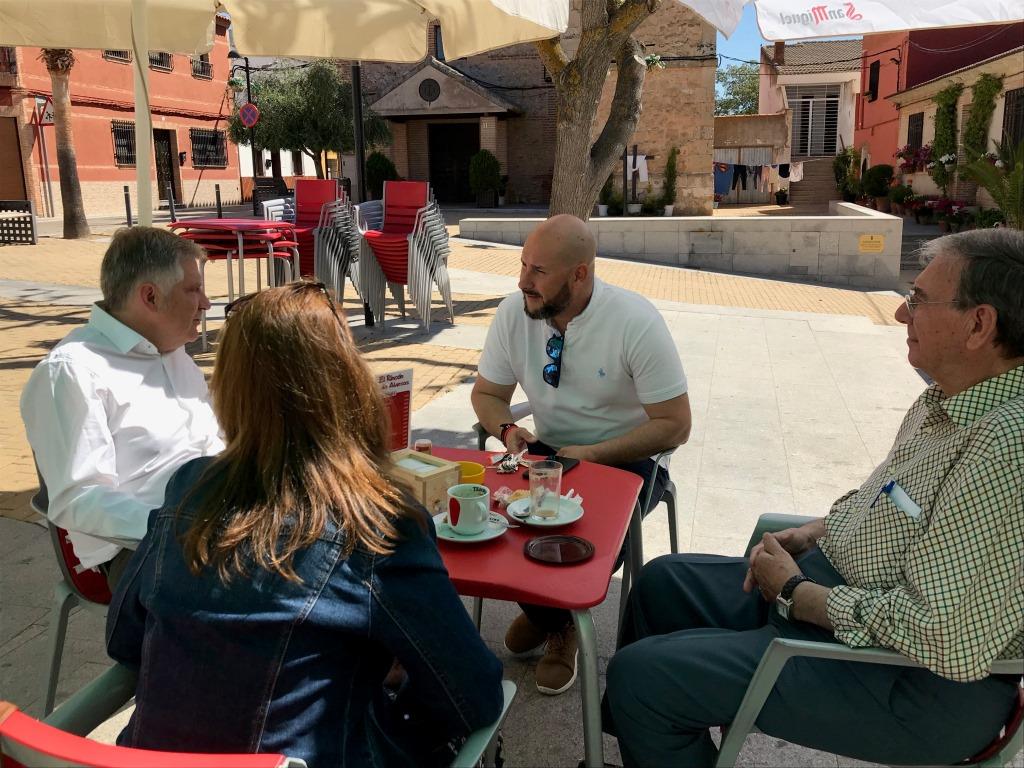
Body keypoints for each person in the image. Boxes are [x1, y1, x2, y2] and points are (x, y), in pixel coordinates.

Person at [604, 229, 1024, 767]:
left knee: (641, 678)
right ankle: (649, 745)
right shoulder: (946, 398)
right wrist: (813, 532)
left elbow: (946, 637)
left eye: (917, 299)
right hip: (846, 603)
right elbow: (890, 500)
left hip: (913, 684)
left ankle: (651, 714)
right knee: (659, 584)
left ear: (979, 324)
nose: (901, 314)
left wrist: (797, 595)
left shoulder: (1005, 447)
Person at [106, 281, 504, 767]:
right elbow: (474, 694)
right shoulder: (378, 520)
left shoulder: (189, 487)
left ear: (230, 388)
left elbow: (125, 640)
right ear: (348, 382)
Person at [472, 214, 691, 696]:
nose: (522, 281)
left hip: (630, 455)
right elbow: (486, 395)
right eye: (523, 264)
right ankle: (548, 612)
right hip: (551, 451)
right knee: (496, 518)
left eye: (538, 272)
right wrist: (508, 429)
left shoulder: (634, 320)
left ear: (580, 275)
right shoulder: (516, 313)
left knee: (574, 535)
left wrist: (593, 452)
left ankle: (559, 624)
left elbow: (676, 424)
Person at [20, 227, 222, 588]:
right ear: (150, 297)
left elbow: (211, 442)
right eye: (193, 290)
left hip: (210, 516)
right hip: (141, 548)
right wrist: (181, 525)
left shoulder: (174, 354)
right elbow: (79, 500)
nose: (206, 303)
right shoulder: (74, 372)